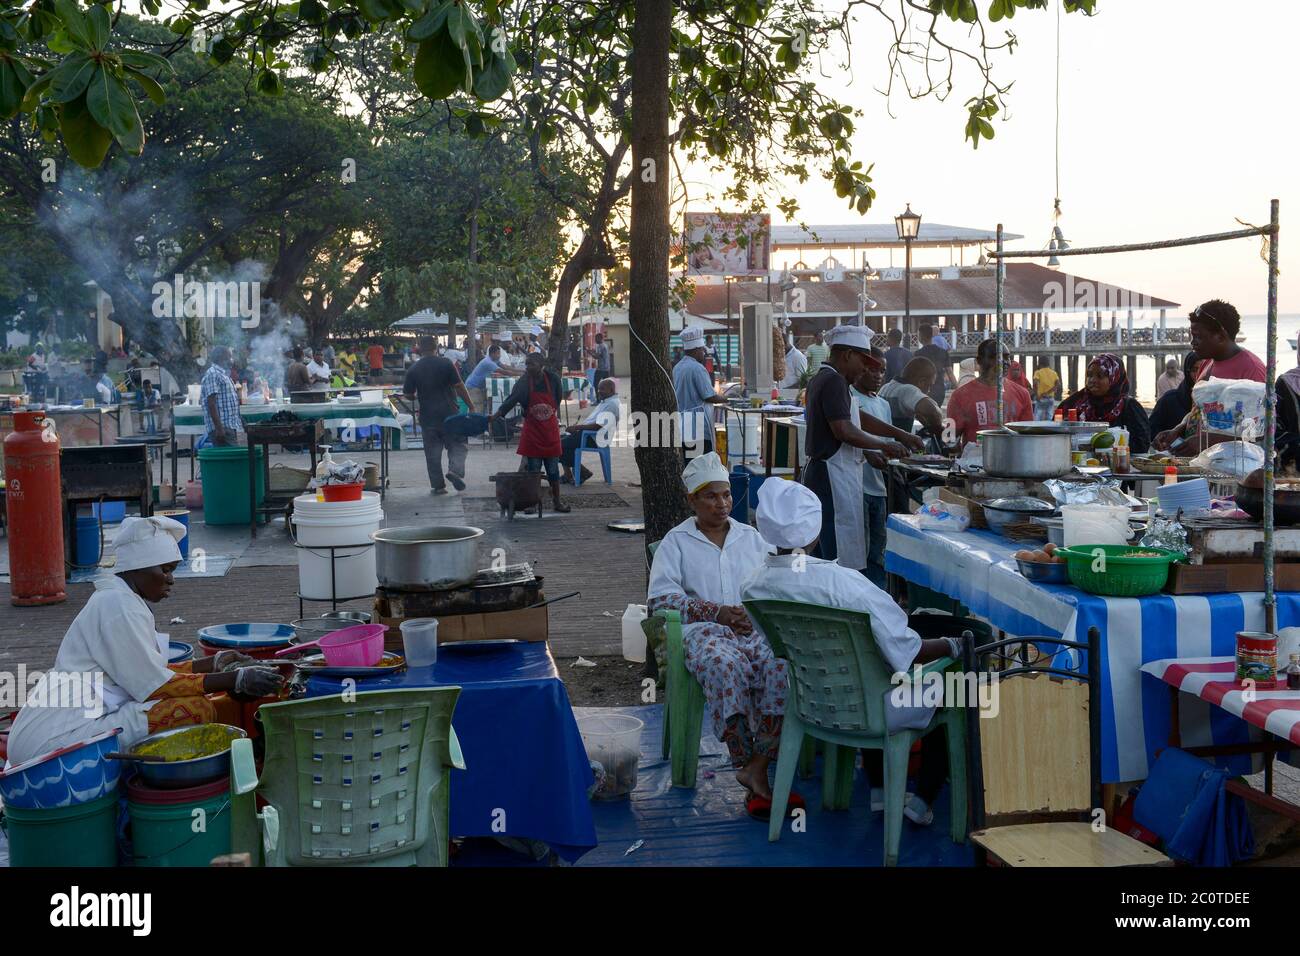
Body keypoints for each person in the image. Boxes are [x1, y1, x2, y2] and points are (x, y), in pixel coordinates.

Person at [741, 479, 964, 826]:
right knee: (954, 684)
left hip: (810, 702)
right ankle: (923, 799)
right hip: (874, 709)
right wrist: (956, 646)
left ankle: (879, 791)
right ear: (815, 532)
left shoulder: (754, 586)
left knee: (868, 666)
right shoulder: (846, 584)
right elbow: (907, 650)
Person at [2, 516, 284, 768]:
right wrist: (236, 679)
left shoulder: (120, 599)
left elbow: (149, 673)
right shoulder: (117, 606)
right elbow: (154, 687)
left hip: (66, 725)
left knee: (192, 699)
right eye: (166, 570)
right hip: (51, 740)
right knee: (195, 708)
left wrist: (215, 662)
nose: (171, 580)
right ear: (140, 568)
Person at [647, 453, 798, 819]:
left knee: (782, 665)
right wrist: (716, 612)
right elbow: (660, 601)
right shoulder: (676, 542)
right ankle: (746, 763)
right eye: (711, 496)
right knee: (724, 665)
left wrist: (756, 609)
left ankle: (757, 766)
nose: (722, 504)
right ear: (692, 500)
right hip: (704, 633)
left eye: (727, 495)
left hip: (751, 629)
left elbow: (772, 583)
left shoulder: (751, 537)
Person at [801, 325, 917, 572]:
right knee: (834, 556)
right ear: (847, 355)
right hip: (830, 477)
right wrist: (885, 445)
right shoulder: (833, 381)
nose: (866, 369)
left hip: (828, 474)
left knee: (829, 550)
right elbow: (844, 429)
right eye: (863, 362)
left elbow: (857, 418)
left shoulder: (828, 379)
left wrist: (899, 434)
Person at [1152, 299, 1266, 452]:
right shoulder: (1207, 364)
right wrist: (1178, 429)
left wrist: (1207, 442)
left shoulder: (1251, 369)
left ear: (1220, 336)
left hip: (1235, 468)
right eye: (1192, 336)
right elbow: (1199, 410)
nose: (1193, 342)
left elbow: (1258, 433)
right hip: (1201, 462)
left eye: (1198, 336)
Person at [491, 351, 570, 513]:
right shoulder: (524, 381)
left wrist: (548, 411)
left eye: (531, 364)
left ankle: (557, 502)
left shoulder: (553, 379)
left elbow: (557, 398)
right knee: (533, 470)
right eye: (526, 364)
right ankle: (532, 503)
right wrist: (496, 415)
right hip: (533, 432)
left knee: (553, 471)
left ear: (541, 366)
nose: (528, 367)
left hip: (550, 433)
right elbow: (511, 400)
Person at [404, 336, 474, 495]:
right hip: (450, 414)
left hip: (428, 417)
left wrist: (415, 397)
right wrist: (471, 405)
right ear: (436, 347)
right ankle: (455, 471)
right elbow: (459, 386)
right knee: (458, 446)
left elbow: (408, 394)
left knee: (432, 452)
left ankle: (438, 486)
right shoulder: (446, 363)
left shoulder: (414, 368)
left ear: (420, 349)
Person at [851, 349, 897, 587]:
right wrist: (868, 452)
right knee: (859, 551)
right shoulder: (848, 396)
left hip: (879, 489)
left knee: (878, 553)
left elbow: (887, 444)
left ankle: (879, 599)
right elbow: (848, 434)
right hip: (856, 488)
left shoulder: (883, 405)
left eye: (882, 370)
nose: (878, 375)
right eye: (873, 368)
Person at [945, 338, 1034, 449]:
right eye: (995, 357)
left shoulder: (1022, 394)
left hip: (1013, 459)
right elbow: (949, 438)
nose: (1004, 362)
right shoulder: (960, 396)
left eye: (1007, 357)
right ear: (979, 361)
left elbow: (1028, 435)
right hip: (974, 462)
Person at [1055, 353, 1151, 452]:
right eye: (1089, 375)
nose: (1092, 380)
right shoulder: (1074, 403)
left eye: (1100, 376)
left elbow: (1142, 445)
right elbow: (1055, 434)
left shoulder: (1128, 406)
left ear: (1114, 378)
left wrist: (1108, 445)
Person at [674, 325, 728, 458]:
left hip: (683, 424)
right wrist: (727, 398)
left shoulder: (677, 367)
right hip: (698, 427)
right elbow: (709, 396)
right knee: (701, 466)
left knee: (688, 464)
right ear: (696, 350)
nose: (703, 353)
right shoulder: (697, 368)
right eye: (702, 351)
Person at [560, 377, 620, 484]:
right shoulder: (606, 401)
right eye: (598, 389)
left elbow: (598, 426)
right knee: (561, 442)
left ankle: (580, 472)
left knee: (558, 445)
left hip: (595, 437)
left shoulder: (612, 404)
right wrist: (577, 428)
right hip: (588, 434)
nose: (599, 392)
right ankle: (573, 474)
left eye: (602, 389)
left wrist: (578, 428)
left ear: (611, 390)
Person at [878, 357, 945, 438]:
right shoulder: (908, 390)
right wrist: (939, 430)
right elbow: (932, 412)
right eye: (930, 385)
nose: (929, 391)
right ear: (921, 382)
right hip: (897, 446)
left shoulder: (886, 387)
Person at [200, 346, 243, 446]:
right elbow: (211, 403)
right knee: (229, 459)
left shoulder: (222, 374)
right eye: (229, 357)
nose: (231, 360)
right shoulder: (213, 374)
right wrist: (219, 428)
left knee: (231, 458)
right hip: (222, 428)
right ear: (221, 358)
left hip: (229, 426)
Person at [915, 323, 955, 406]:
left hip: (924, 392)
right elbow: (950, 373)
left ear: (921, 337)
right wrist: (958, 388)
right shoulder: (943, 352)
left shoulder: (918, 354)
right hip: (940, 391)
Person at [464, 343, 502, 413]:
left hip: (477, 386)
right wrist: (520, 373)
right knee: (477, 407)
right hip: (473, 387)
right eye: (498, 353)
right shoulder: (488, 362)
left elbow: (505, 366)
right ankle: (473, 422)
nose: (499, 355)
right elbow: (503, 371)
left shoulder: (493, 360)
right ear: (492, 354)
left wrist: (520, 371)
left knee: (481, 406)